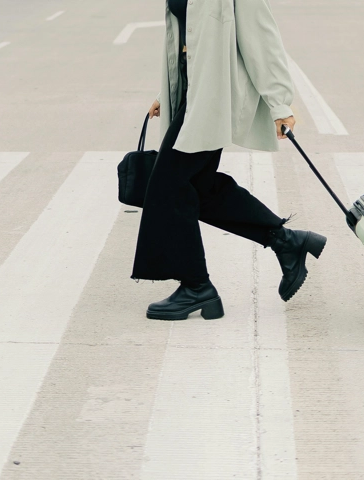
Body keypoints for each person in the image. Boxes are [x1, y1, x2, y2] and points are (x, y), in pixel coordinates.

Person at [132, 0, 327, 320]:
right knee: (202, 189)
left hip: (212, 101)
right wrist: (164, 91)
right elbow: (189, 38)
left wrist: (280, 103)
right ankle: (286, 241)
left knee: (169, 186)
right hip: (190, 96)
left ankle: (197, 286)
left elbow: (261, 36)